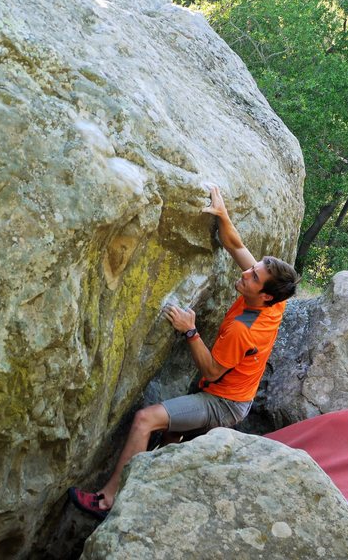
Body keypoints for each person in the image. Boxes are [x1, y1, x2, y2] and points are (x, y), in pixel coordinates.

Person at [68, 185, 299, 519]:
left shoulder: (244, 330)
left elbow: (212, 372)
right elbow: (235, 245)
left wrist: (190, 330)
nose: (246, 273)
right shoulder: (272, 301)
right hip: (233, 393)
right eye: (253, 269)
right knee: (171, 435)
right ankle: (150, 488)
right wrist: (222, 214)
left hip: (224, 403)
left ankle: (108, 500)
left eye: (253, 276)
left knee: (146, 420)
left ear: (264, 295)